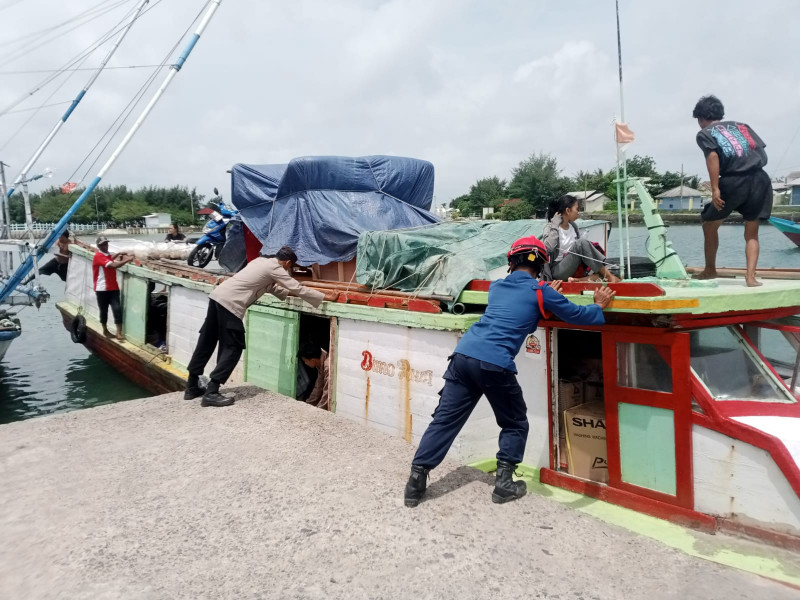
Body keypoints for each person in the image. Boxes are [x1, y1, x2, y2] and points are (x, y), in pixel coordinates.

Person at [404, 236, 615, 507]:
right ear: (540, 265)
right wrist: (598, 305)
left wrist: (546, 295)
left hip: (463, 356)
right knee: (515, 422)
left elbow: (517, 308)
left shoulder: (497, 287)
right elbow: (577, 315)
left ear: (510, 262)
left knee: (445, 420)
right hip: (495, 364)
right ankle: (504, 484)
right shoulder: (541, 291)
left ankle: (415, 481)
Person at [184, 246, 337, 407]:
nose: (288, 270)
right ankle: (211, 392)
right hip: (231, 304)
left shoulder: (260, 262)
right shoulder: (276, 268)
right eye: (290, 268)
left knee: (207, 341)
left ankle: (192, 386)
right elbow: (296, 287)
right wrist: (325, 296)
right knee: (233, 347)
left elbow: (274, 288)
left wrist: (292, 293)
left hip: (217, 297)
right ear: (288, 263)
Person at [692, 95, 772, 287]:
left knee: (709, 224)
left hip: (734, 181)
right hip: (760, 178)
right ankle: (751, 278)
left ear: (701, 118)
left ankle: (710, 269)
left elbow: (712, 156)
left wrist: (715, 189)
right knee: (752, 232)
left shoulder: (705, 133)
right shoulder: (743, 126)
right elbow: (759, 150)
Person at [542, 195, 620, 282]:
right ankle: (609, 276)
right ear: (568, 210)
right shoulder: (551, 227)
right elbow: (547, 248)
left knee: (604, 272)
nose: (578, 212)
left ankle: (577, 280)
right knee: (581, 243)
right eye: (577, 209)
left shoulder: (573, 226)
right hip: (557, 270)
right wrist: (555, 224)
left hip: (574, 267)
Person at [93, 236, 134, 340]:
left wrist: (118, 254)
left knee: (117, 309)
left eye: (106, 243)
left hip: (113, 287)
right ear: (99, 246)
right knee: (104, 310)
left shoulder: (106, 255)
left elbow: (110, 258)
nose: (105, 246)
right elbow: (113, 265)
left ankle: (118, 332)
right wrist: (127, 260)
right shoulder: (98, 256)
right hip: (102, 288)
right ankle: (105, 330)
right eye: (103, 244)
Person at [297, 342, 330, 410]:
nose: (305, 363)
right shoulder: (321, 362)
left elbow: (327, 392)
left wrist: (319, 409)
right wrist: (308, 403)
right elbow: (318, 386)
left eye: (305, 361)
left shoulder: (327, 366)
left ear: (313, 360)